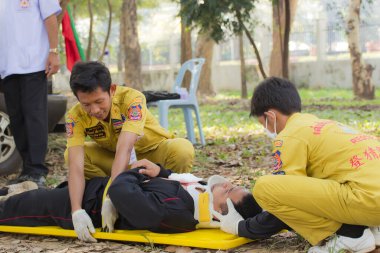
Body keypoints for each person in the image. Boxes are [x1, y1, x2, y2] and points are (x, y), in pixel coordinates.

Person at [216, 77, 380, 253]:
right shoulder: (325, 125)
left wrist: (241, 227)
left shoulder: (289, 135)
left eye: (264, 125)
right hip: (370, 199)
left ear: (270, 116)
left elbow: (286, 199)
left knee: (265, 188)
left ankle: (351, 235)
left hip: (367, 201)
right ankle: (372, 229)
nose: (268, 131)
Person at [65, 61, 195, 240]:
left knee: (182, 149)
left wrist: (113, 196)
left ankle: (165, 195)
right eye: (86, 104)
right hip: (116, 161)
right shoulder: (75, 116)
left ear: (111, 89)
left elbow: (124, 149)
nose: (94, 110)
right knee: (71, 155)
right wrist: (76, 210)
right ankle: (105, 194)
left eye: (99, 101)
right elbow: (76, 166)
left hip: (152, 154)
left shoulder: (132, 99)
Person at [0, 159, 260, 243]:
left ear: (219, 212)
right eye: (233, 184)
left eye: (229, 191)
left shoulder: (174, 211)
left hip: (88, 208)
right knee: (37, 195)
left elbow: (122, 192)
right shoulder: (201, 190)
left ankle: (14, 197)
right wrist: (161, 171)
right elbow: (176, 178)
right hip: (96, 188)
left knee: (23, 206)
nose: (226, 184)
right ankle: (16, 192)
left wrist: (134, 172)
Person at [0, 0, 61, 187]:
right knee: (16, 118)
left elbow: (50, 17)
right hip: (7, 65)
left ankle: (37, 170)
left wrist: (53, 51)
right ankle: (27, 170)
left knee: (34, 117)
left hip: (34, 63)